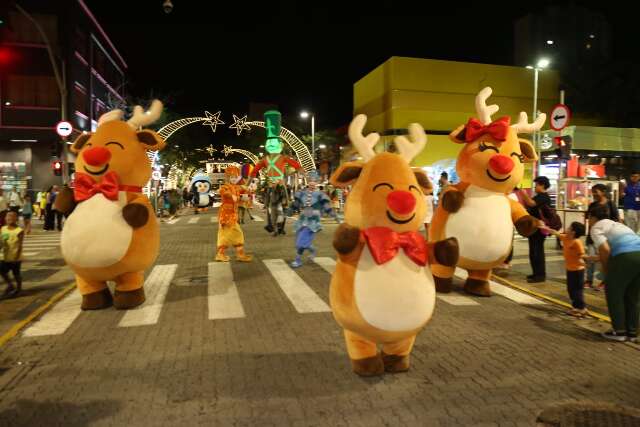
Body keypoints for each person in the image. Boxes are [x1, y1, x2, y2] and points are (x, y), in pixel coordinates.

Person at [588, 204, 640, 342]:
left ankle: (619, 331)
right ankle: (632, 333)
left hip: (625, 256)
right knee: (632, 296)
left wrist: (606, 271)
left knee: (614, 293)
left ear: (592, 217)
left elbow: (605, 250)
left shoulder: (596, 227)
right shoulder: (617, 225)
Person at [289, 172, 337, 268]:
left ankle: (298, 260)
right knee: (303, 240)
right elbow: (296, 204)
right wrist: (289, 210)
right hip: (302, 220)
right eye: (310, 181)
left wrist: (334, 215)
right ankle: (312, 249)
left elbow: (327, 207)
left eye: (314, 181)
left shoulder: (320, 195)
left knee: (300, 242)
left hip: (313, 222)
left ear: (317, 183)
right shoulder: (302, 193)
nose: (312, 183)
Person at [540, 222, 588, 317]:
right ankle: (576, 307)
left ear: (573, 232)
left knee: (577, 290)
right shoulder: (566, 237)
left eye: (569, 227)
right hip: (570, 269)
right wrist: (546, 228)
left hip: (578, 270)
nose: (567, 228)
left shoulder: (577, 242)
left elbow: (582, 255)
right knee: (570, 289)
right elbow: (556, 233)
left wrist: (592, 258)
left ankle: (582, 308)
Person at [517, 176, 552, 283]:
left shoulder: (544, 197)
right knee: (534, 251)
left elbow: (531, 203)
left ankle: (540, 275)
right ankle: (536, 273)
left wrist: (522, 193)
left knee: (537, 252)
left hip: (539, 228)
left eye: (536, 184)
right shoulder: (539, 196)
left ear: (542, 185)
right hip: (535, 227)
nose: (535, 187)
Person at [585, 184, 619, 289]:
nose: (594, 194)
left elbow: (616, 219)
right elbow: (587, 219)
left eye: (596, 191)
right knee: (590, 258)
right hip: (592, 236)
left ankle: (605, 281)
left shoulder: (610, 204)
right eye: (592, 191)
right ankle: (589, 280)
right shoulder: (592, 205)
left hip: (606, 238)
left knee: (605, 259)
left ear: (603, 192)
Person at [1, 210, 24, 298]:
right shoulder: (3, 229)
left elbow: (20, 245)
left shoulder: (19, 231)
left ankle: (19, 289)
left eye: (12, 216)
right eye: (8, 216)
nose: (9, 218)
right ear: (5, 218)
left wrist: (17, 256)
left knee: (16, 273)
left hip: (15, 257)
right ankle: (10, 285)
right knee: (2, 271)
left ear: (16, 219)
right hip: (5, 256)